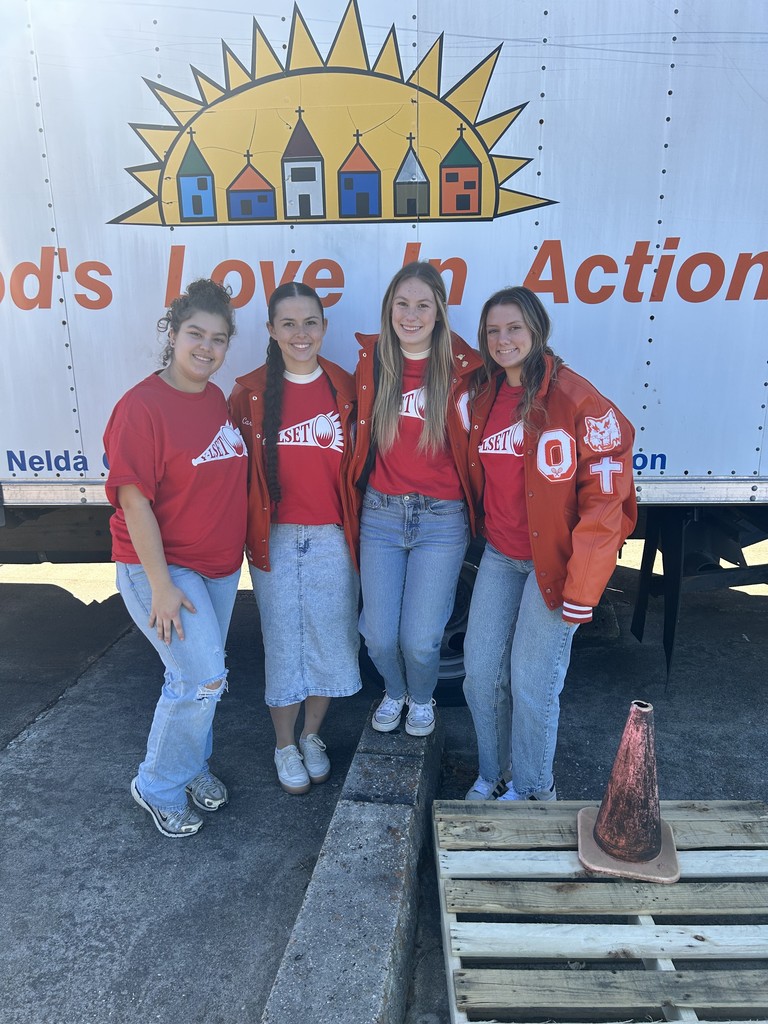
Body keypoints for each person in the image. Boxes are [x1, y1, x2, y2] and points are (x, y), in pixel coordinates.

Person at [462, 285, 637, 801]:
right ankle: (493, 776)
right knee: (479, 674)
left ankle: (535, 790)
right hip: (499, 556)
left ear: (538, 329)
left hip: (553, 566)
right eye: (493, 330)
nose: (503, 339)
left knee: (532, 686)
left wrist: (582, 588)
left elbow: (606, 502)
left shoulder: (578, 399)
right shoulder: (483, 393)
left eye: (514, 327)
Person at [103, 279, 247, 837]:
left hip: (215, 569)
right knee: (201, 678)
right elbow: (134, 503)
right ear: (172, 334)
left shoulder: (213, 398)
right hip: (161, 569)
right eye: (195, 335)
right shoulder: (141, 407)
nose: (205, 347)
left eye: (217, 338)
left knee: (202, 676)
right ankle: (157, 784)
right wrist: (160, 586)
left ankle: (192, 768)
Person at [229, 283, 361, 795]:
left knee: (330, 640)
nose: (300, 333)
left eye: (310, 322)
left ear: (324, 328)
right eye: (288, 323)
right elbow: (230, 472)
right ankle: (283, 743)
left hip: (333, 537)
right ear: (271, 331)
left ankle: (311, 735)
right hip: (276, 541)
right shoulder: (249, 392)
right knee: (283, 643)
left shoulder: (346, 388)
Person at [350, 261, 483, 737]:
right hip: (382, 515)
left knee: (422, 640)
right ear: (389, 309)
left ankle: (421, 698)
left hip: (442, 520)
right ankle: (395, 691)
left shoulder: (465, 368)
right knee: (379, 635)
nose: (411, 314)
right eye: (401, 304)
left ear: (439, 312)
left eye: (422, 305)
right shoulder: (373, 363)